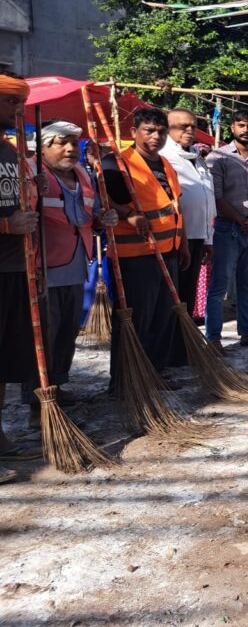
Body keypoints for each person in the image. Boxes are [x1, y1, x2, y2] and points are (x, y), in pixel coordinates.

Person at [22, 122, 118, 422]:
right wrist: (32, 190)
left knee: (66, 332)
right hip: (42, 267)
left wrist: (103, 219)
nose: (69, 149)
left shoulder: (83, 175)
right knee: (43, 337)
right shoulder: (30, 172)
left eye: (74, 144)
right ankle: (38, 401)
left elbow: (89, 216)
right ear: (44, 145)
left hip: (76, 265)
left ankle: (58, 385)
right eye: (62, 143)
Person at [102, 108, 186, 387]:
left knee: (163, 316)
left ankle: (154, 371)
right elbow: (103, 199)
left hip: (168, 249)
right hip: (135, 255)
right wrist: (128, 214)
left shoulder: (165, 164)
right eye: (149, 130)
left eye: (161, 131)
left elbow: (175, 206)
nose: (156, 136)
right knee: (136, 318)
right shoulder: (117, 164)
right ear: (134, 132)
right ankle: (126, 379)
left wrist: (182, 244)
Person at [205, 111, 248, 352]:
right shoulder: (218, 157)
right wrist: (242, 219)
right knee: (219, 285)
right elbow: (217, 196)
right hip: (227, 228)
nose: (246, 130)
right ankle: (213, 337)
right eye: (241, 125)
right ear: (232, 127)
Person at [0, 74, 41, 474]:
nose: (19, 110)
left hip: (14, 265)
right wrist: (5, 227)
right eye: (12, 102)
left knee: (6, 363)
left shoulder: (11, 152)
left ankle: (1, 439)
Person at [160, 108, 215, 318]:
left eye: (193, 126)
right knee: (174, 297)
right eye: (183, 126)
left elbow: (207, 198)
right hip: (176, 238)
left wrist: (208, 239)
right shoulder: (165, 156)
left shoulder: (196, 156)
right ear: (168, 128)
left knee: (187, 297)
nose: (189, 130)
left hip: (198, 235)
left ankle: (184, 344)